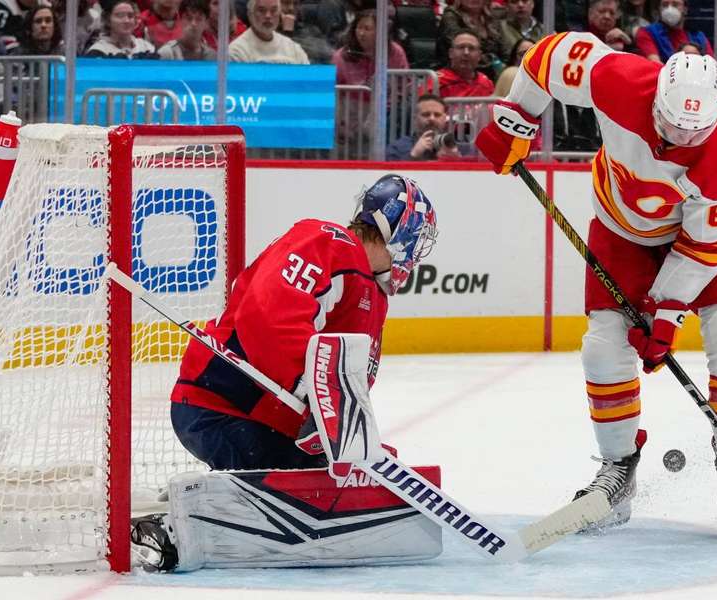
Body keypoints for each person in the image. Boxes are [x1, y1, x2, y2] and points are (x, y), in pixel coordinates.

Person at [476, 35, 717, 542]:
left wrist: (667, 313)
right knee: (603, 346)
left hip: (706, 244)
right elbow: (546, 58)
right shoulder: (618, 78)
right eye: (668, 122)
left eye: (689, 132)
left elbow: (703, 249)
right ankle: (617, 471)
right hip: (622, 229)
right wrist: (516, 118)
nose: (674, 138)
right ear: (657, 94)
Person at [131, 174, 439, 571]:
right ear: (399, 229)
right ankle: (171, 530)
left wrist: (353, 439)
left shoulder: (371, 293)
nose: (416, 250)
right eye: (417, 236)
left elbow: (346, 378)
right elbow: (269, 316)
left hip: (272, 423)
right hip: (222, 406)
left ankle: (214, 503)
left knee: (346, 489)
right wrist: (319, 401)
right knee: (299, 504)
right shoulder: (326, 241)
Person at [332, 9, 409, 86]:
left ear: (380, 31)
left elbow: (407, 84)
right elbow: (325, 91)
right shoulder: (340, 56)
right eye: (359, 28)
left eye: (367, 29)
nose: (361, 33)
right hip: (351, 98)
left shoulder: (396, 51)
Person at [386, 94, 466, 160]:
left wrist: (457, 160)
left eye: (437, 115)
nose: (432, 118)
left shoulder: (460, 146)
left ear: (444, 119)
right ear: (415, 119)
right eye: (426, 114)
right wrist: (413, 155)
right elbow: (391, 177)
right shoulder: (398, 148)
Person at [437, 0, 503, 79]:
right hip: (458, 72)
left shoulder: (491, 17)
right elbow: (459, 47)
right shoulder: (451, 16)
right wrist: (494, 62)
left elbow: (503, 47)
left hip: (491, 70)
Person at [229, 0, 309, 63]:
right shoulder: (237, 51)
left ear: (280, 14)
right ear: (250, 15)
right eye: (261, 10)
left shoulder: (293, 48)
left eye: (274, 10)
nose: (268, 16)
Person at [635, 0, 712, 63]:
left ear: (685, 9)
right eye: (665, 5)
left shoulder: (698, 37)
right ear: (659, 9)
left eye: (675, 4)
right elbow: (655, 65)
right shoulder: (647, 33)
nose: (669, 9)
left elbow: (711, 66)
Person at [84, 0, 158, 58]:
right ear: (108, 20)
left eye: (130, 16)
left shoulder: (146, 47)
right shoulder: (98, 50)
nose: (126, 20)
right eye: (120, 16)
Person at [435, 30, 495, 97]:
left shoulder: (486, 83)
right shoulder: (435, 81)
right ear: (450, 53)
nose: (466, 52)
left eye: (471, 48)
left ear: (479, 56)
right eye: (461, 47)